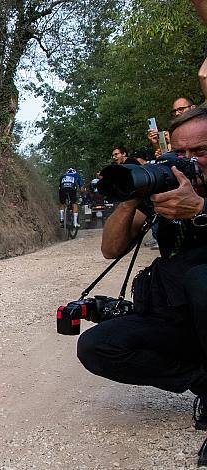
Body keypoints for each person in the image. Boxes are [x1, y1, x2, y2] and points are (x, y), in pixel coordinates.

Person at [76, 107, 207, 435]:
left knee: (200, 280)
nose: (188, 160)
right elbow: (111, 248)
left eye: (200, 152)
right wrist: (133, 195)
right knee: (97, 346)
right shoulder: (165, 191)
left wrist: (201, 209)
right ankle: (206, 384)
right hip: (180, 320)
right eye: (179, 152)